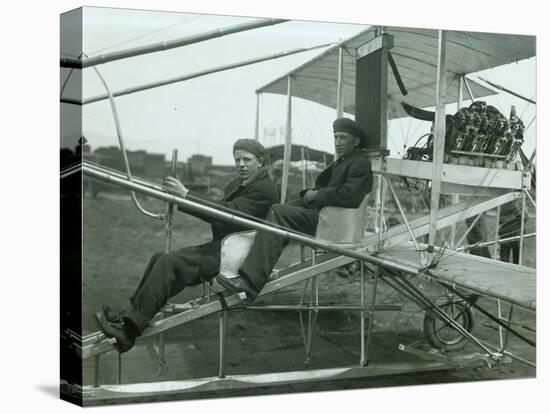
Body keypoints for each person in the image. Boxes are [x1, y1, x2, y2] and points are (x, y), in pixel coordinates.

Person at [94, 139, 279, 353]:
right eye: (237, 159)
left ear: (260, 161)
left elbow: (227, 214)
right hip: (228, 247)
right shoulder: (246, 185)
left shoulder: (264, 189)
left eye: (247, 159)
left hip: (239, 256)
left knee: (169, 262)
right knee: (159, 258)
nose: (241, 164)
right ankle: (127, 315)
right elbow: (222, 213)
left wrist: (186, 195)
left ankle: (128, 333)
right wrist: (183, 197)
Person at [217, 118, 373, 300]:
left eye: (343, 138)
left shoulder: (359, 163)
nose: (337, 142)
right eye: (336, 137)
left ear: (356, 141)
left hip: (335, 224)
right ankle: (253, 267)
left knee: (278, 213)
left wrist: (317, 196)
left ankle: (250, 283)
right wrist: (311, 193)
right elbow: (330, 187)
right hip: (328, 215)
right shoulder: (345, 161)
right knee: (276, 209)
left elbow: (350, 196)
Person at [499, 199, 528, 264]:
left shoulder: (522, 201)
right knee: (503, 260)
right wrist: (516, 217)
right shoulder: (504, 202)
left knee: (518, 259)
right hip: (505, 234)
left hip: (518, 234)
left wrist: (517, 209)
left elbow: (525, 218)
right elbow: (500, 220)